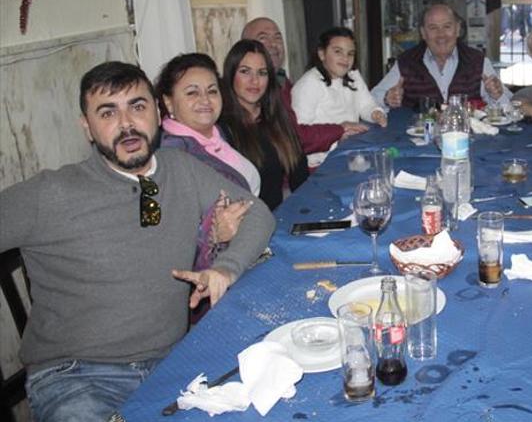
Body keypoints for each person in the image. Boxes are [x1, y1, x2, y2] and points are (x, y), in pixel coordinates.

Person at [0, 61, 274, 421]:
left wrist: (225, 268)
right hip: (78, 377)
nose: (126, 124)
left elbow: (258, 214)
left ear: (158, 114)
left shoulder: (180, 168)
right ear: (87, 127)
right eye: (108, 112)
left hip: (173, 365)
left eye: (137, 106)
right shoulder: (51, 192)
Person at [155, 53, 260, 280]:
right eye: (192, 92)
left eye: (212, 91)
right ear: (168, 102)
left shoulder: (218, 135)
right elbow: (172, 237)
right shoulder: (173, 155)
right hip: (220, 274)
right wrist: (215, 235)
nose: (205, 100)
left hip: (251, 249)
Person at [241, 17, 367, 156]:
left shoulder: (282, 81)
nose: (273, 44)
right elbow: (294, 138)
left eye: (278, 38)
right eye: (263, 38)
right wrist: (339, 130)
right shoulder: (251, 91)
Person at [220, 39, 308, 211]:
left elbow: (300, 178)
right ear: (231, 75)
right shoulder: (221, 128)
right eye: (245, 72)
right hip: (247, 227)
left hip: (280, 219)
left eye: (262, 73)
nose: (254, 81)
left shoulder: (276, 117)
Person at [371, 3, 512, 109]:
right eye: (433, 28)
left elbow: (509, 105)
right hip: (418, 143)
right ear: (423, 33)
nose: (441, 35)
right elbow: (372, 99)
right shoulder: (406, 62)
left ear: (457, 29)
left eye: (447, 27)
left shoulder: (478, 61)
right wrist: (386, 98)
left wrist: (497, 95)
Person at [292, 27, 386, 166]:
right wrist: (336, 136)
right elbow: (301, 135)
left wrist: (375, 113)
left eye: (350, 53)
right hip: (321, 162)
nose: (345, 58)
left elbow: (365, 104)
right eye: (338, 52)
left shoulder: (353, 75)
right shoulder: (308, 84)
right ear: (322, 54)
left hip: (349, 151)